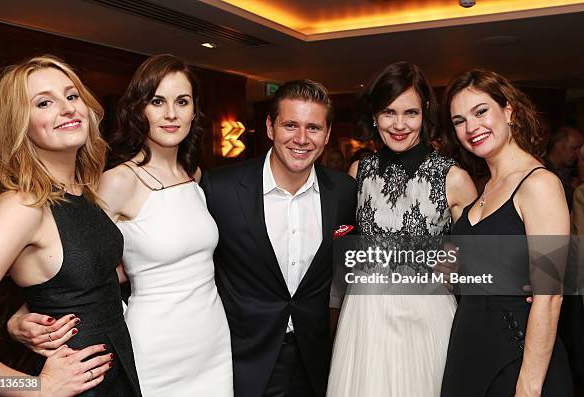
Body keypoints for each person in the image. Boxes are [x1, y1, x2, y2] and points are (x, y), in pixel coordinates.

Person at [7, 54, 234, 396]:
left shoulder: (194, 176)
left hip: (212, 338)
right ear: (139, 110)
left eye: (182, 102)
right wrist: (19, 320)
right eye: (157, 101)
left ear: (194, 111)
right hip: (155, 346)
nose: (171, 114)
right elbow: (76, 262)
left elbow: (92, 262)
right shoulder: (117, 182)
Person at [0, 55, 141, 396]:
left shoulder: (83, 192)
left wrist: (23, 315)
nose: (67, 109)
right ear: (21, 123)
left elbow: (81, 279)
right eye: (45, 102)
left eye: (72, 96)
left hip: (117, 375)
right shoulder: (23, 206)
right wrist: (35, 389)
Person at [326, 61, 477, 397]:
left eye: (409, 113)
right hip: (365, 319)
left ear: (424, 114)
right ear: (374, 116)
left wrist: (457, 261)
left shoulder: (453, 178)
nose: (398, 124)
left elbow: (480, 256)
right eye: (388, 112)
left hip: (426, 318)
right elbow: (341, 239)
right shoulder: (358, 172)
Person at [201, 80, 357, 397]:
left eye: (313, 128)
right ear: (271, 127)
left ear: (327, 135)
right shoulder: (220, 189)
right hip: (241, 360)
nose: (301, 139)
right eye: (290, 125)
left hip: (315, 361)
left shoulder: (343, 192)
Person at [441, 69, 572, 396]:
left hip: (515, 361)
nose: (471, 128)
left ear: (509, 111)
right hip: (469, 354)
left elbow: (550, 296)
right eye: (459, 120)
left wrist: (528, 387)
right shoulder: (486, 187)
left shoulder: (539, 185)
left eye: (481, 111)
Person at [545, 126, 583, 210]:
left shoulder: (574, 170)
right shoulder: (542, 170)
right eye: (574, 148)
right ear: (559, 146)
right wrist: (573, 189)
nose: (578, 153)